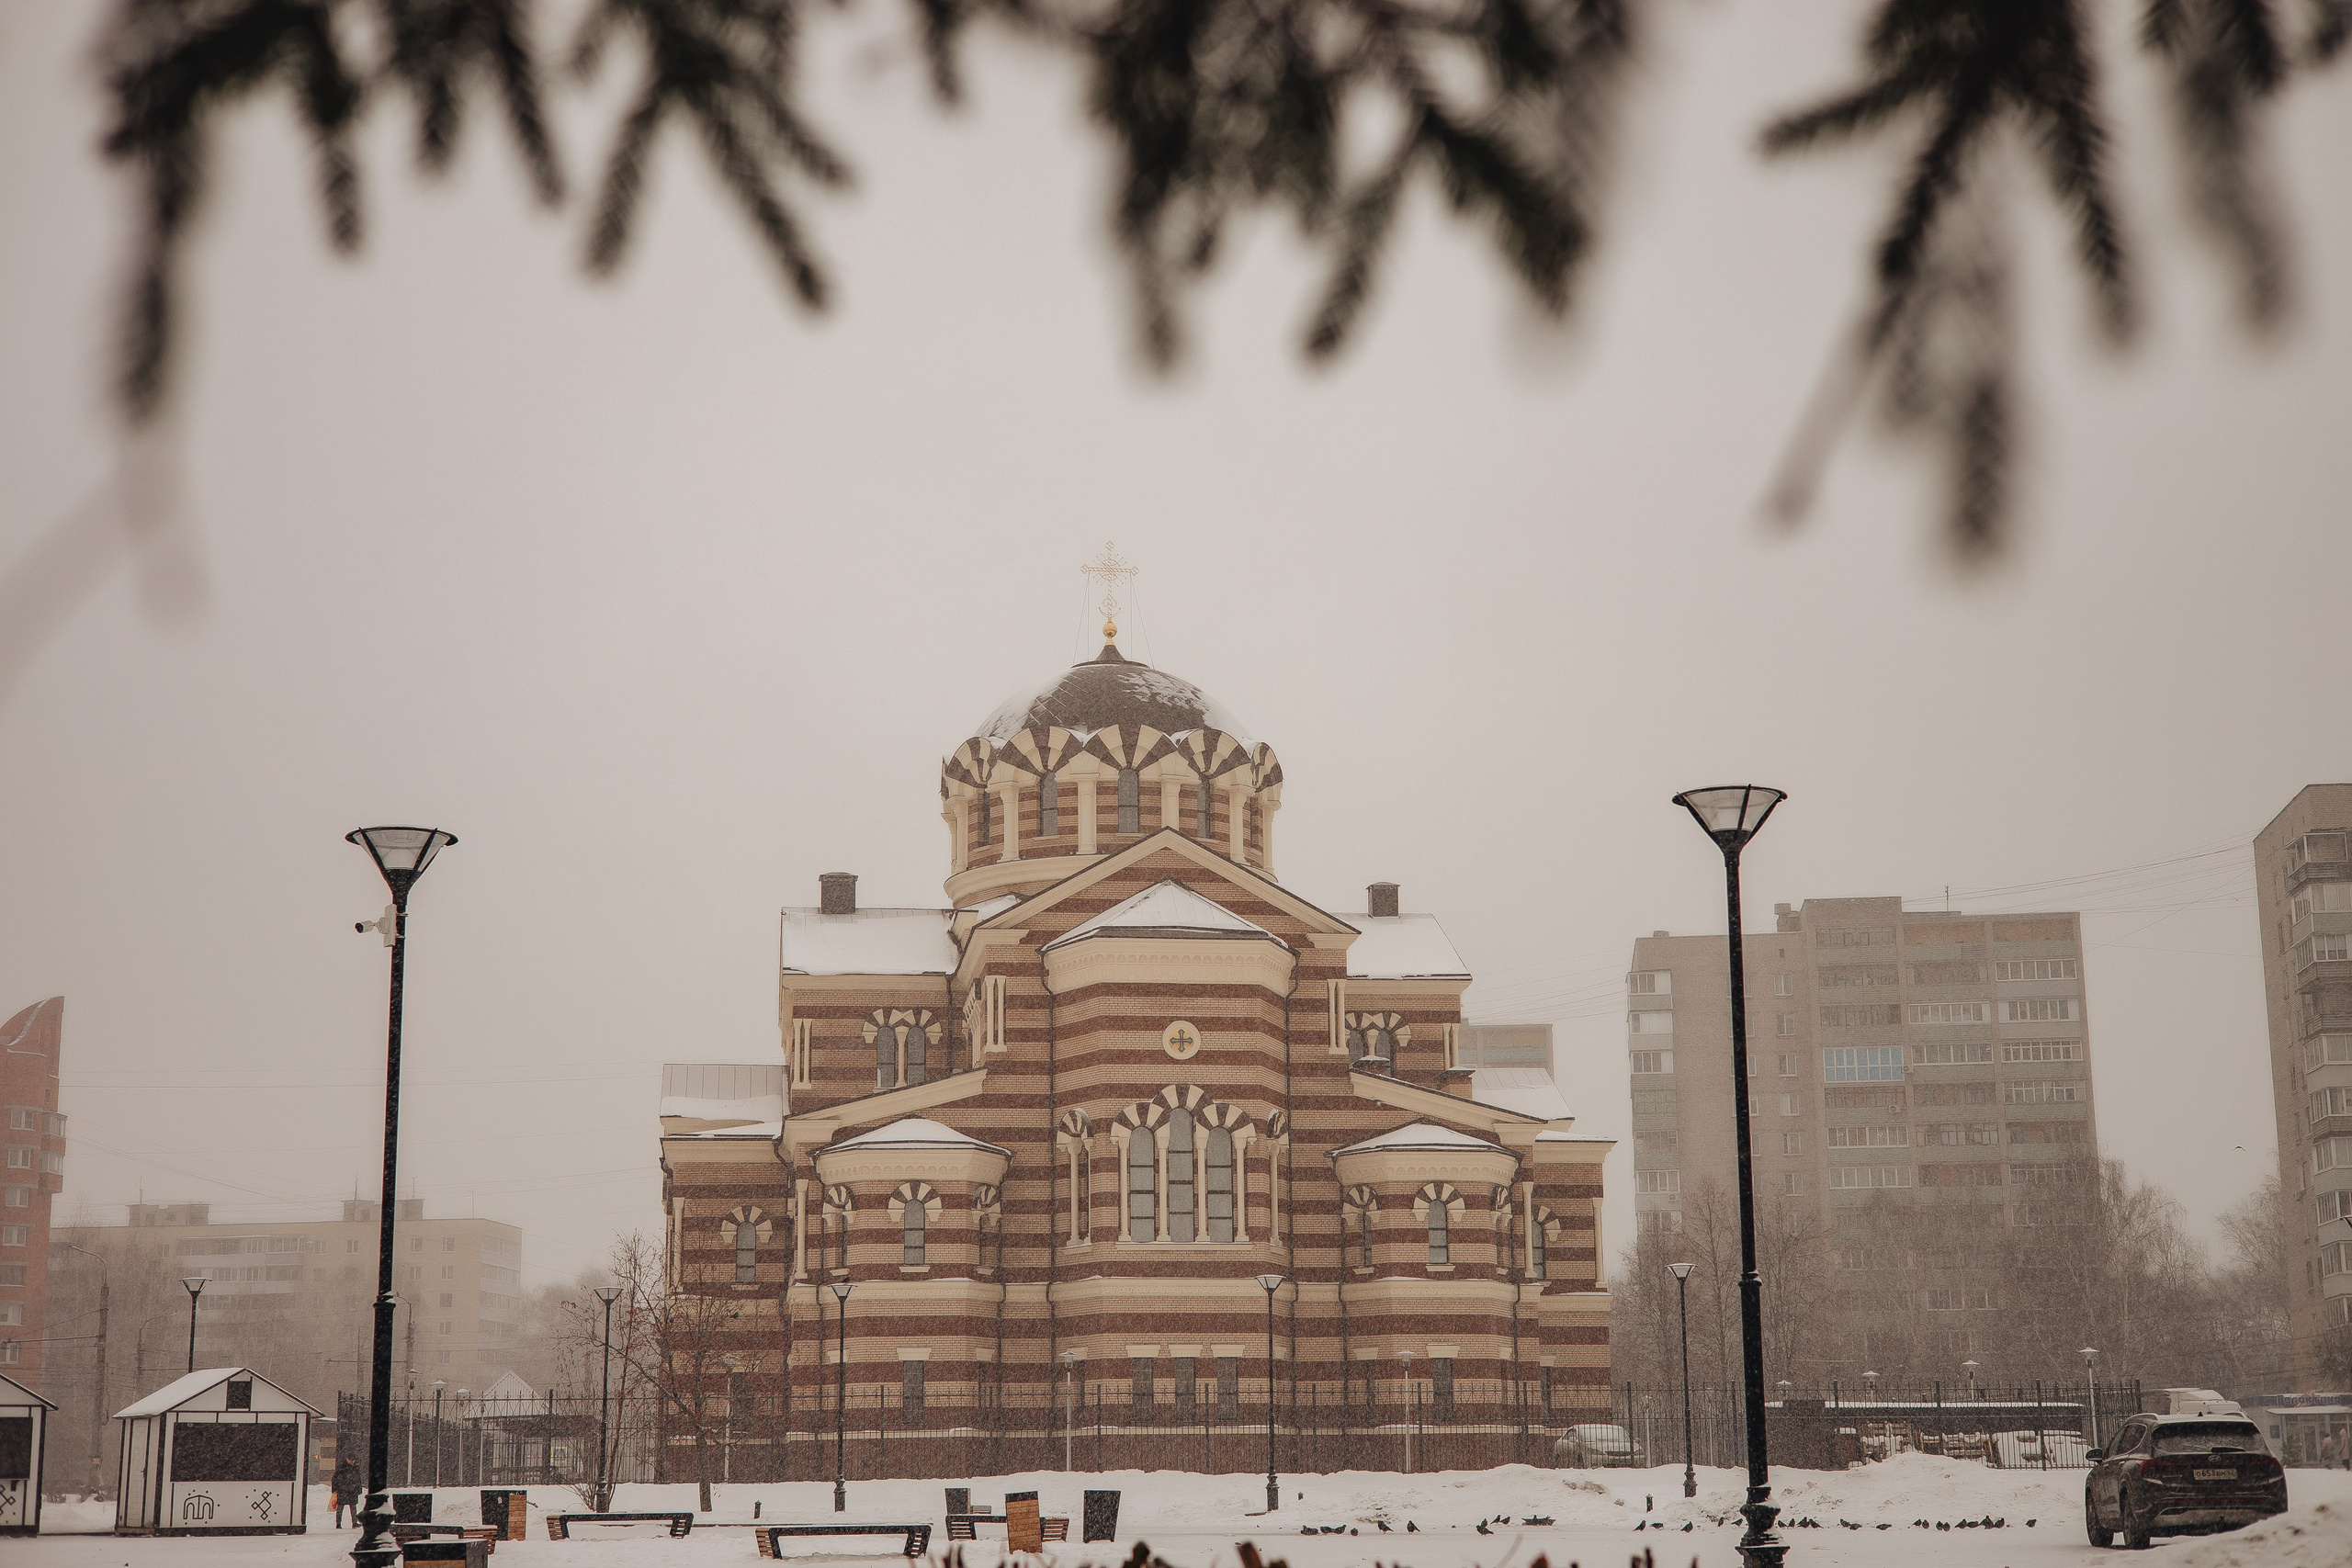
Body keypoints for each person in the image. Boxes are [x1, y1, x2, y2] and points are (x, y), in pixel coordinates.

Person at [332, 1454, 360, 1528]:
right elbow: (357, 1479)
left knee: (344, 1507)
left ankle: (348, 1523)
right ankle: (342, 1523)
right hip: (346, 1490)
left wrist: (335, 1488)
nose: (353, 1461)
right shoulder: (347, 1468)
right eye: (352, 1459)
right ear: (348, 1459)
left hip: (345, 1490)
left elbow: (335, 1479)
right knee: (347, 1507)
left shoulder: (342, 1467)